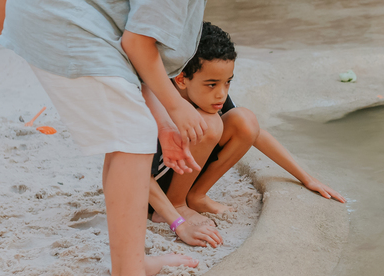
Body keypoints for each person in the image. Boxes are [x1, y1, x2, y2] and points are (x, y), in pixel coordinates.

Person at [0, 0, 291, 276]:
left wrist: (162, 120)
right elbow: (137, 44)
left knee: (130, 137)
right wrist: (175, 111)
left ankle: (131, 268)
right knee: (132, 139)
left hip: (70, 15)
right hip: (57, 14)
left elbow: (137, 55)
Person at [148, 21, 345, 248]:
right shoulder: (156, 103)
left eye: (227, 82)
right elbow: (142, 177)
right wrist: (177, 220)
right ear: (181, 79)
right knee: (210, 124)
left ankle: (195, 197)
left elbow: (254, 133)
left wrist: (307, 178)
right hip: (153, 196)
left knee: (245, 120)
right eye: (211, 84)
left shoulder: (209, 98)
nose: (221, 94)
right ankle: (177, 204)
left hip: (178, 177)